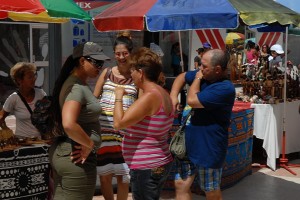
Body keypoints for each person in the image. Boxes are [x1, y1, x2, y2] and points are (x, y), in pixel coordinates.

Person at [170, 49, 236, 200]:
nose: (200, 68)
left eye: (204, 66)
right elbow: (182, 76)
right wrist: (173, 95)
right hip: (188, 143)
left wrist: (198, 79)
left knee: (210, 190)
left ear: (217, 69)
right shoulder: (206, 73)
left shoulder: (225, 88)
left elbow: (192, 100)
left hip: (208, 147)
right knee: (181, 184)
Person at [48, 41, 110, 200]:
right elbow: (69, 124)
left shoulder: (76, 83)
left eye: (102, 63)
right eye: (97, 63)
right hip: (76, 157)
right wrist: (89, 144)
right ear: (82, 61)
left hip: (68, 154)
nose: (100, 67)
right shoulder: (76, 87)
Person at [113, 47, 175, 200]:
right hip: (157, 162)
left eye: (132, 70)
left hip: (146, 166)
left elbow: (118, 123)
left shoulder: (151, 96)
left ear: (140, 72)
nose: (130, 74)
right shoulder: (162, 92)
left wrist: (118, 96)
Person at [93, 34, 138, 200]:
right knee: (105, 176)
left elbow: (140, 104)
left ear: (131, 53)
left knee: (123, 176)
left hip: (126, 135)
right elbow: (94, 98)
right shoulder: (106, 73)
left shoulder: (136, 77)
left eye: (125, 53)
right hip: (104, 134)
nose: (121, 57)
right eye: (118, 53)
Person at [0, 62, 46, 139]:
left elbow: (49, 115)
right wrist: (7, 131)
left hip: (41, 141)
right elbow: (1, 117)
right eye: (30, 77)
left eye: (34, 75)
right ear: (19, 80)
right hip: (23, 142)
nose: (34, 79)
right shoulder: (14, 98)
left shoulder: (40, 94)